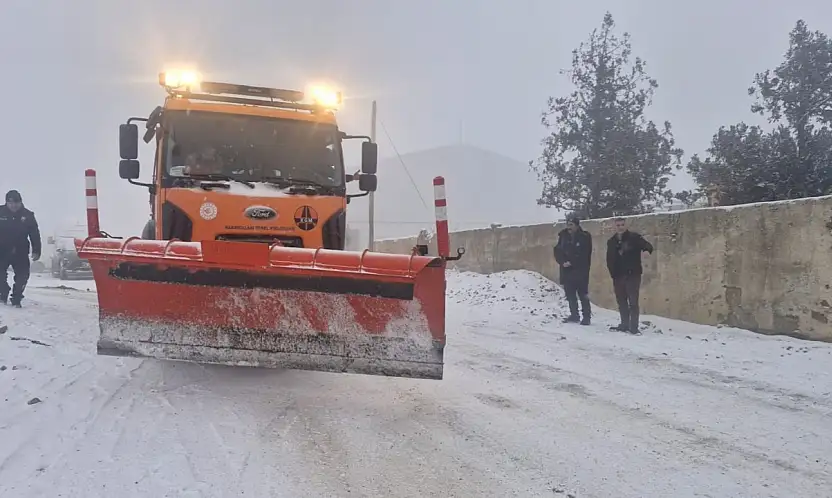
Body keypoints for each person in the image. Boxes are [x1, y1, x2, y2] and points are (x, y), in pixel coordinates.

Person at [606, 217, 653, 334]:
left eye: (622, 225)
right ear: (614, 226)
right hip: (618, 276)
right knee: (621, 301)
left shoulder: (634, 238)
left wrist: (647, 251)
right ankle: (624, 324)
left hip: (632, 274)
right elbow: (609, 259)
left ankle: (633, 327)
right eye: (618, 225)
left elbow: (647, 246)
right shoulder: (611, 241)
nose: (620, 227)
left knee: (633, 302)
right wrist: (613, 274)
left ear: (625, 225)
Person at [0, 190, 41, 307]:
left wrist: (36, 250)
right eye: (11, 203)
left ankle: (17, 297)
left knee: (23, 276)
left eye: (16, 203)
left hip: (20, 251)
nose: (13, 205)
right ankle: (3, 292)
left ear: (20, 202)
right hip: (2, 251)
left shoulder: (28, 215)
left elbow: (34, 234)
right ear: (6, 202)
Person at [554, 216, 593, 325]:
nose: (569, 227)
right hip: (566, 270)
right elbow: (557, 250)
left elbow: (585, 253)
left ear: (577, 225)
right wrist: (562, 262)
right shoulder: (563, 236)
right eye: (568, 224)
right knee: (570, 294)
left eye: (571, 224)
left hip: (580, 270)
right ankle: (574, 315)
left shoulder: (585, 236)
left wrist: (572, 262)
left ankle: (586, 317)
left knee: (583, 294)